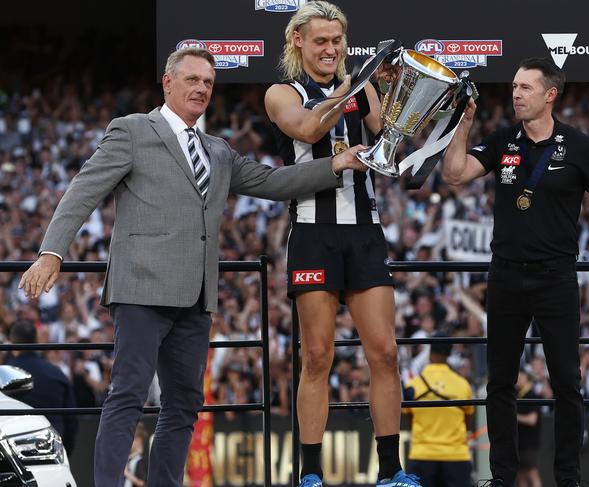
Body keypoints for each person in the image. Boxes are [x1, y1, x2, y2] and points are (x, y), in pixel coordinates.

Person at [18, 46, 367, 487]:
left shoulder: (218, 151)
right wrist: (52, 252)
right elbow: (83, 190)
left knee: (183, 404)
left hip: (196, 297)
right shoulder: (131, 131)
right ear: (168, 83)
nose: (201, 89)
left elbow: (272, 182)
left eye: (208, 83)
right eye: (192, 80)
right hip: (140, 289)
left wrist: (333, 164)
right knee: (127, 395)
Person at [442, 57, 589, 487]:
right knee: (500, 382)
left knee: (566, 383)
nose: (516, 94)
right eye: (514, 86)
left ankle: (568, 478)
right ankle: (503, 477)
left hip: (556, 276)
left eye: (525, 87)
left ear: (549, 95)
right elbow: (454, 174)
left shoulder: (581, 146)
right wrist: (463, 124)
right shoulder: (503, 139)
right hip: (505, 275)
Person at [264, 2, 420, 487]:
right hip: (312, 232)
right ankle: (310, 474)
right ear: (298, 42)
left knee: (386, 353)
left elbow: (394, 149)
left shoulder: (365, 87)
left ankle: (391, 471)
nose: (331, 49)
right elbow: (309, 129)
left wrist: (426, 111)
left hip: (365, 231)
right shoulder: (281, 93)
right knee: (316, 356)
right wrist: (356, 85)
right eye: (321, 41)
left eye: (337, 41)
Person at [403, 333, 474, 487]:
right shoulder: (463, 385)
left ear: (430, 352)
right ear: (449, 354)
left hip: (422, 455)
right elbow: (468, 422)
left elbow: (410, 420)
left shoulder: (414, 385)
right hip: (456, 457)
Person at [4, 319, 78, 454]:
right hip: (51, 446)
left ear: (12, 344)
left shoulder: (4, 375)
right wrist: (65, 451)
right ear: (36, 341)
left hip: (11, 448)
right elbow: (71, 421)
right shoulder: (57, 374)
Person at [515, 370, 542, 487]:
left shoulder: (532, 395)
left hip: (529, 444)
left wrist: (514, 417)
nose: (518, 379)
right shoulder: (518, 395)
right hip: (519, 443)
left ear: (527, 378)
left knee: (532, 474)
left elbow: (532, 419)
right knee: (520, 475)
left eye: (521, 376)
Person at [122, 422, 149, 487]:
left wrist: (127, 474)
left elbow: (143, 483)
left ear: (139, 440)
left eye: (131, 439)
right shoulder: (130, 459)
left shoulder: (141, 460)